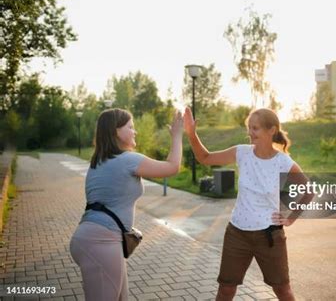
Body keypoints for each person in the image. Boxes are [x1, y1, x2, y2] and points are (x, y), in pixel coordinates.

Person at [183, 106, 305, 301]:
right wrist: (191, 134)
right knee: (226, 290)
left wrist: (291, 217)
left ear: (271, 130)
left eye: (255, 128)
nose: (250, 132)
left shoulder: (283, 161)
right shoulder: (242, 153)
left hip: (269, 236)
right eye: (249, 127)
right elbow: (205, 157)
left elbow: (308, 190)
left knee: (283, 291)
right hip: (237, 233)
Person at [69, 108, 183, 301]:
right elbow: (172, 167)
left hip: (96, 239)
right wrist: (177, 136)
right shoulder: (127, 160)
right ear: (116, 132)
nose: (135, 131)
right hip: (101, 242)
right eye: (131, 127)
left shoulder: (99, 162)